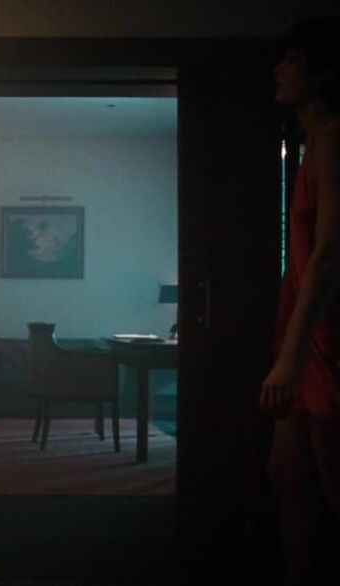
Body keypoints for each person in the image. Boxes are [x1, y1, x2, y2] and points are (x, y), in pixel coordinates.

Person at [263, 14, 340, 586]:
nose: (279, 69)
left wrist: (290, 357)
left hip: (325, 339)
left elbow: (329, 255)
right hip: (304, 334)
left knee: (331, 484)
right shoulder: (313, 144)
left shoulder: (334, 139)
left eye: (291, 60)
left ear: (324, 70)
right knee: (287, 478)